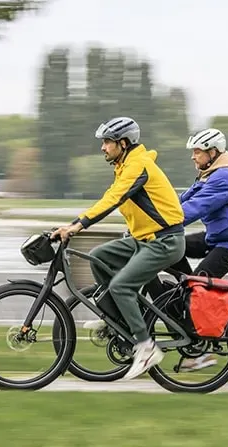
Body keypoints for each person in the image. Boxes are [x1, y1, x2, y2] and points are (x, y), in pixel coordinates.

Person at [51, 116, 186, 381]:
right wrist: (74, 223)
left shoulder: (138, 165)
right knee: (99, 257)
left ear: (123, 143)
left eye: (107, 142)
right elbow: (116, 201)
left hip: (165, 242)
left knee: (121, 286)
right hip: (144, 240)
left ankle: (146, 348)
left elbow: (113, 199)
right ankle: (119, 319)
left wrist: (78, 225)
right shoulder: (125, 165)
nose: (103, 147)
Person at [171, 127, 228, 371]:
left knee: (198, 285)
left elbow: (196, 208)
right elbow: (180, 201)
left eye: (197, 151)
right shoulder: (208, 174)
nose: (193, 156)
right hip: (216, 237)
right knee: (173, 245)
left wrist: (166, 223)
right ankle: (183, 290)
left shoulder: (225, 178)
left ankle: (202, 352)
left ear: (213, 152)